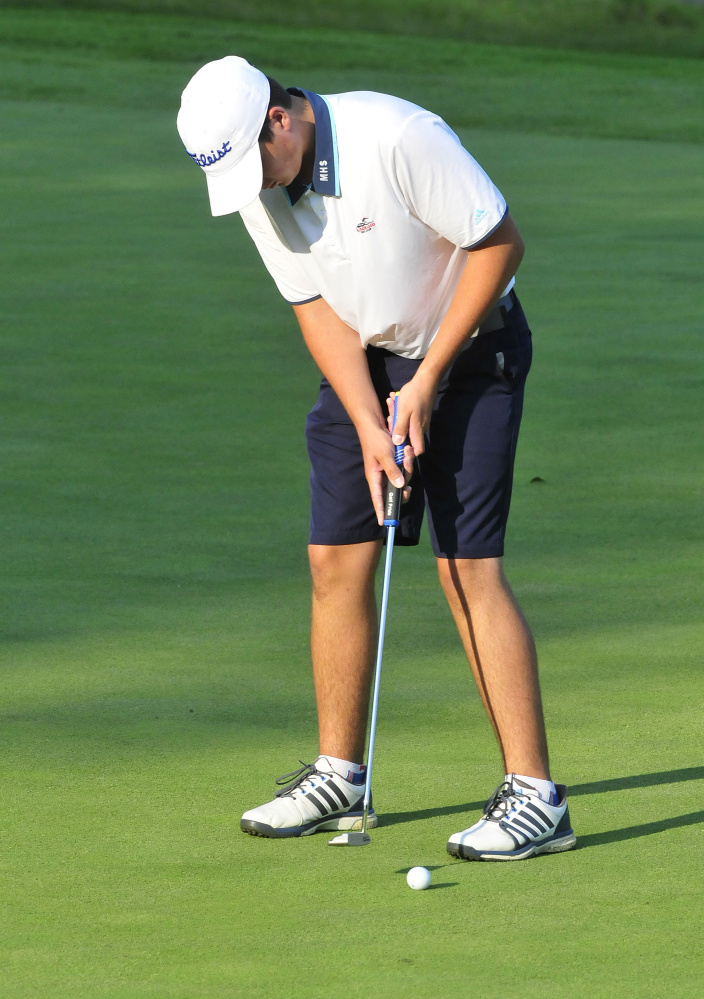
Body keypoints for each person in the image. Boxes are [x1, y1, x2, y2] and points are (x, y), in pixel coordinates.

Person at [177, 56, 576, 860]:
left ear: (280, 122)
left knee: (467, 570)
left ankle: (536, 797)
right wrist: (366, 417)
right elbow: (312, 304)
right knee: (334, 558)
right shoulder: (257, 184)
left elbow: (499, 245)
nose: (255, 186)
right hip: (367, 360)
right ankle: (340, 775)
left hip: (471, 355)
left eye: (257, 164)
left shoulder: (396, 137)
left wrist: (426, 382)